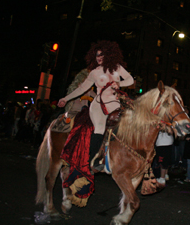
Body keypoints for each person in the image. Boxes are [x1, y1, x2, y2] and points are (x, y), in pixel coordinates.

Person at [57, 40, 133, 170]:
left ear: (109, 55)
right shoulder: (94, 72)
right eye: (97, 55)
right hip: (99, 104)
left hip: (115, 102)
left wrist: (119, 84)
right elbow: (81, 89)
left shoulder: (117, 67)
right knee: (100, 128)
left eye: (102, 55)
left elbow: (130, 80)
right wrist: (66, 98)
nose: (99, 58)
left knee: (128, 124)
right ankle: (91, 160)